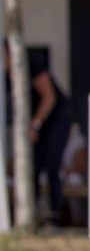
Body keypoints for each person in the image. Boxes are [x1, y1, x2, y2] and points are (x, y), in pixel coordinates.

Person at [4, 44, 73, 226]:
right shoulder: (6, 76)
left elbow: (49, 97)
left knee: (51, 165)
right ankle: (30, 215)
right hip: (35, 123)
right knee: (32, 167)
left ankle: (54, 217)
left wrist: (35, 125)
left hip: (54, 120)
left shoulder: (31, 64)